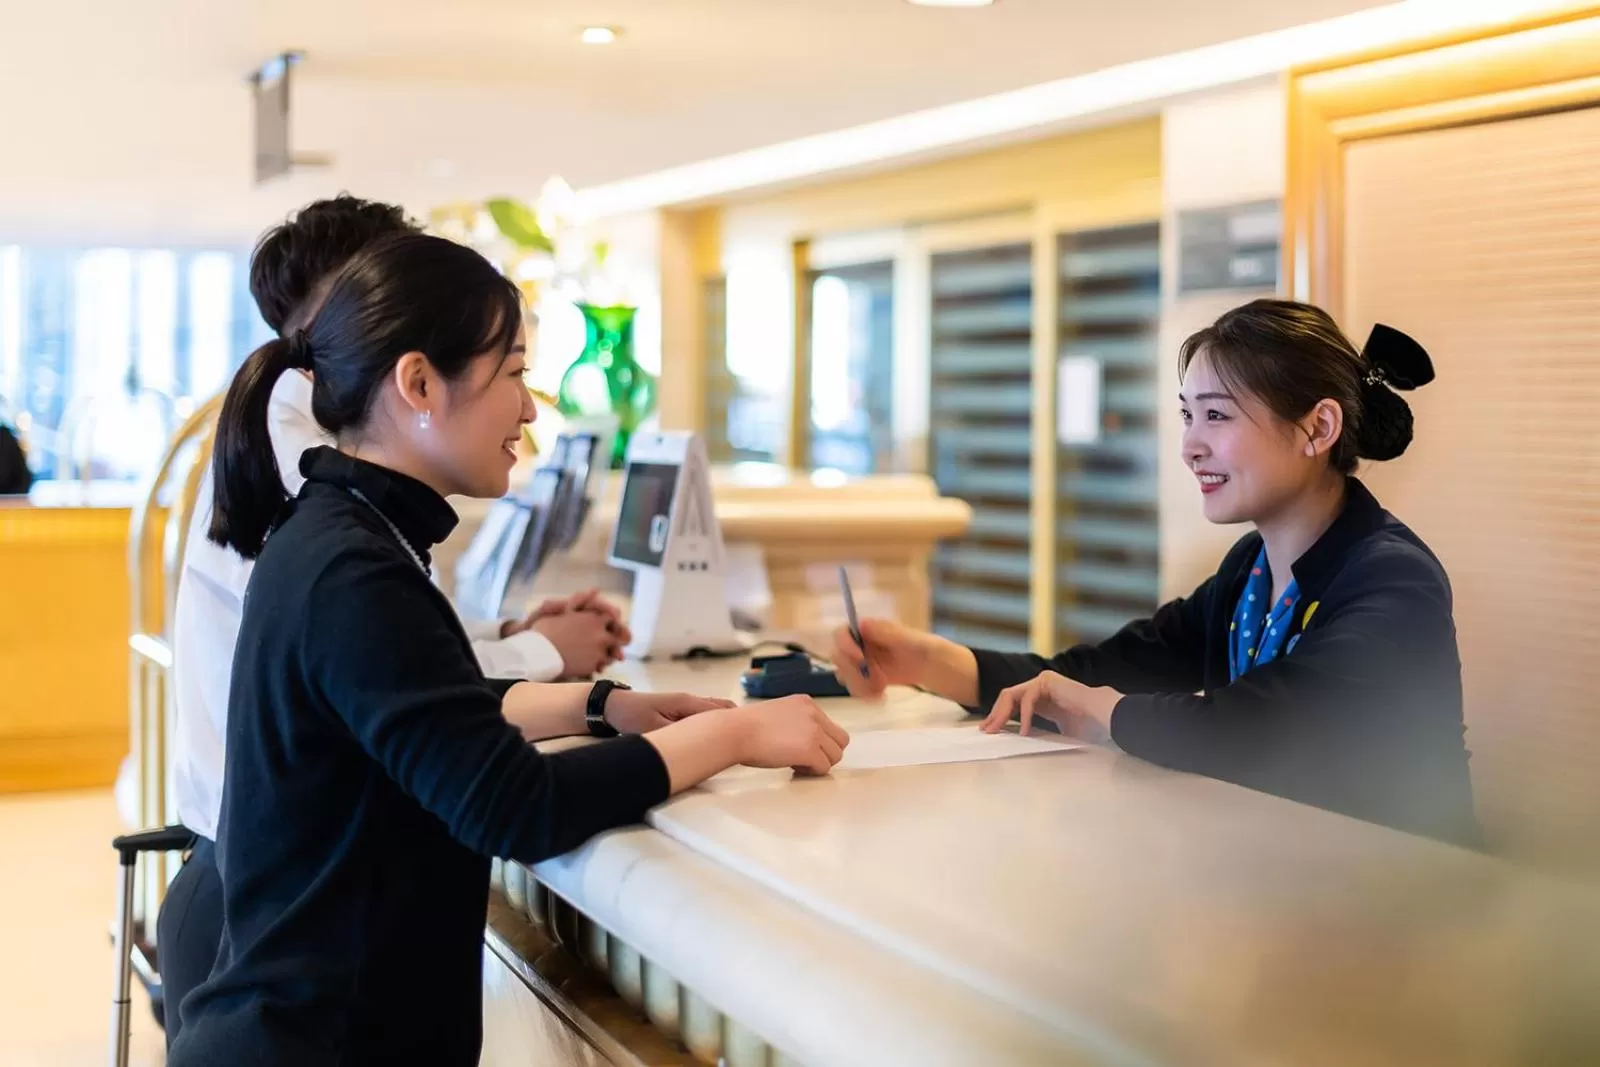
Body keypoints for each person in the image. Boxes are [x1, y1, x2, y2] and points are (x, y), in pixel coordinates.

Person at [166, 232, 847, 1066]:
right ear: (419, 383)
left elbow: (415, 708)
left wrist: (603, 705)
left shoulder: (341, 527)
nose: (531, 409)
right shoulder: (352, 566)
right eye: (516, 373)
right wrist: (731, 734)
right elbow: (511, 804)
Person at [157, 196, 624, 1042]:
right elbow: (376, 652)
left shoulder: (342, 474)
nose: (526, 406)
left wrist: (553, 667)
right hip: (253, 907)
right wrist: (553, 662)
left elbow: (391, 655)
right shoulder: (309, 455)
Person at [834, 299, 1477, 847]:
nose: (1190, 444)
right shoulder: (1249, 573)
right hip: (1284, 880)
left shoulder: (1393, 579)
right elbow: (1101, 670)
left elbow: (1263, 726)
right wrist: (929, 662)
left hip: (1404, 907)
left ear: (1319, 427)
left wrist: (1105, 712)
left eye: (1217, 415)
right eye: (1187, 414)